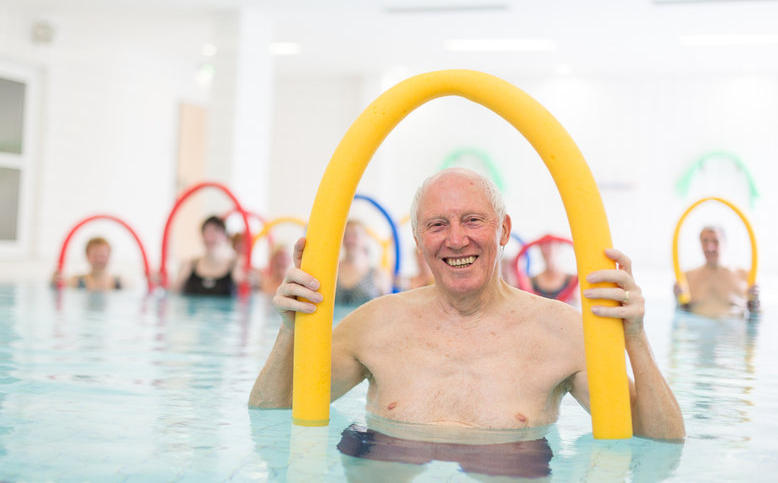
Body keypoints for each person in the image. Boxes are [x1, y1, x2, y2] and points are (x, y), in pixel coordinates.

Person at [250, 169, 685, 440]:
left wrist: (636, 338)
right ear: (419, 241)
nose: (456, 239)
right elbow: (271, 415)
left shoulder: (562, 333)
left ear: (504, 230)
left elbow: (659, 441)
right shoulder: (374, 325)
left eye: (473, 220)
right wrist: (291, 329)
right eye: (437, 225)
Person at [674, 225, 760, 317]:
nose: (710, 247)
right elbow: (682, 312)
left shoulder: (743, 276)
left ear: (724, 243)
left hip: (732, 329)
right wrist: (678, 300)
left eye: (715, 241)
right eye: (705, 241)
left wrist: (754, 301)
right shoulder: (687, 277)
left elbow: (756, 313)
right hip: (698, 329)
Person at [172, 215, 237, 297]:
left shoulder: (235, 266)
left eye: (216, 230)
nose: (210, 236)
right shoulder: (188, 265)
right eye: (207, 231)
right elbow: (173, 292)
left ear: (225, 236)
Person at [334, 219, 390, 306]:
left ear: (365, 237)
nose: (349, 240)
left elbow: (386, 308)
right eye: (345, 235)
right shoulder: (332, 271)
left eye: (354, 235)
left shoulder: (378, 274)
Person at [52, 237, 123, 291]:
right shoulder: (76, 282)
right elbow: (55, 287)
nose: (99, 260)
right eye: (95, 256)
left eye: (102, 256)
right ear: (87, 256)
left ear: (109, 256)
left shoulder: (121, 283)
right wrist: (53, 282)